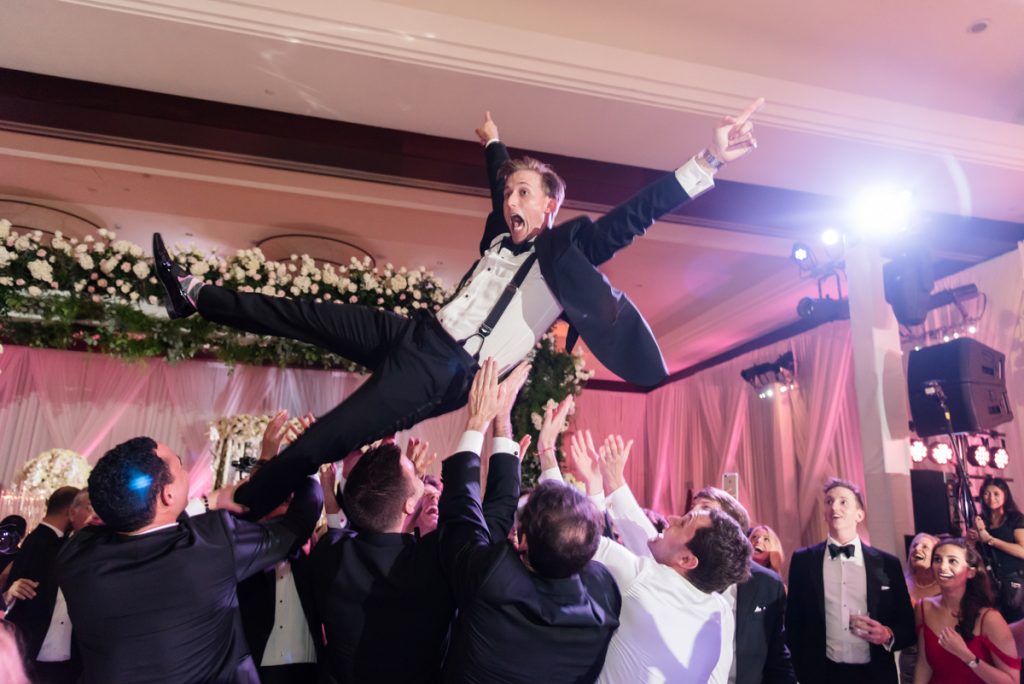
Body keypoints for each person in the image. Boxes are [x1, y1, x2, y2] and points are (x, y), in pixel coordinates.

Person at [151, 101, 764, 518]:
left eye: (523, 193)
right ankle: (195, 296)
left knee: (330, 434)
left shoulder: (568, 253)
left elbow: (635, 216)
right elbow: (498, 178)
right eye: (508, 192)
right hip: (415, 334)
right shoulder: (499, 234)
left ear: (549, 206)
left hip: (442, 373)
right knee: (304, 314)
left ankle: (252, 500)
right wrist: (494, 144)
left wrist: (707, 160)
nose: (510, 199)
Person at [312, 362, 529, 684]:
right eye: (414, 473)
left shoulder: (330, 553)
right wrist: (492, 419)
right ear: (408, 505)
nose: (419, 475)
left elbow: (344, 526)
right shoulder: (436, 561)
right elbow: (497, 514)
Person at [56, 437, 322, 684]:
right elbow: (295, 528)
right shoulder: (211, 546)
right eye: (180, 464)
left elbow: (141, 524)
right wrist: (308, 475)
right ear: (167, 495)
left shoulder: (75, 554)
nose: (185, 472)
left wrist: (209, 501)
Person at [439, 359, 621, 683]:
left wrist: (482, 420)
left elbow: (463, 513)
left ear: (521, 541)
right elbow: (573, 529)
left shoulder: (493, 579)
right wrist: (543, 448)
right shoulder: (603, 596)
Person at [545, 422, 752, 683]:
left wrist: (547, 450)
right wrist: (610, 483)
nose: (671, 519)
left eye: (683, 523)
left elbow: (568, 527)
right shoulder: (719, 613)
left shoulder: (643, 580)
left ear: (687, 560)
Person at [785, 477, 915, 684]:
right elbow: (793, 623)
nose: (834, 507)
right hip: (821, 675)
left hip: (875, 675)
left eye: (843, 501)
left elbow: (907, 624)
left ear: (859, 514)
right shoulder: (803, 560)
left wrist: (887, 634)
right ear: (824, 513)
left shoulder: (887, 563)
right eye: (829, 501)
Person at [690, 487, 796, 684]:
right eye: (692, 507)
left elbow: (776, 655)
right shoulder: (681, 572)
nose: (692, 513)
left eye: (705, 507)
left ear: (730, 524)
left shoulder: (768, 584)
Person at [912, 537, 1020, 683]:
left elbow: (1012, 681)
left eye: (952, 561)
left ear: (970, 572)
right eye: (937, 559)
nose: (942, 566)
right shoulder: (924, 607)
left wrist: (967, 656)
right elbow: (923, 664)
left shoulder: (989, 618)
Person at [2, 486, 79, 683]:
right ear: (71, 511)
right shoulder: (44, 543)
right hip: (31, 654)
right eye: (87, 507)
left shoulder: (47, 541)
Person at [969, 476, 1024, 623]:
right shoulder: (980, 520)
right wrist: (971, 540)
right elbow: (971, 553)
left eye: (996, 494)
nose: (991, 498)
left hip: (1013, 581)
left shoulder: (1015, 518)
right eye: (986, 494)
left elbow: (1022, 551)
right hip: (988, 581)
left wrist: (990, 540)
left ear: (1005, 495)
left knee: (1014, 622)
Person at [901, 532, 942, 684]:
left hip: (942, 653)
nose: (917, 549)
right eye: (914, 546)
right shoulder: (901, 584)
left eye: (925, 547)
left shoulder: (946, 585)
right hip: (911, 654)